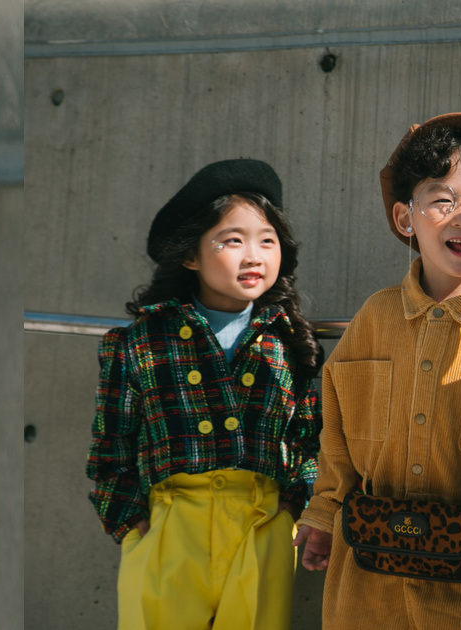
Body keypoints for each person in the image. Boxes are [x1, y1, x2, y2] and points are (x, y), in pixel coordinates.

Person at [292, 113, 461, 630]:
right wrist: (324, 512)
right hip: (366, 579)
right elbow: (336, 432)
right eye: (442, 199)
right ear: (405, 218)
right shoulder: (375, 317)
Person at [86, 158, 322, 630]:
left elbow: (307, 439)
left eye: (267, 240)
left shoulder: (289, 342)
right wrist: (129, 521)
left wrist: (294, 505)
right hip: (168, 530)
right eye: (233, 240)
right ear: (190, 255)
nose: (253, 256)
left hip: (262, 525)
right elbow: (110, 445)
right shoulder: (141, 342)